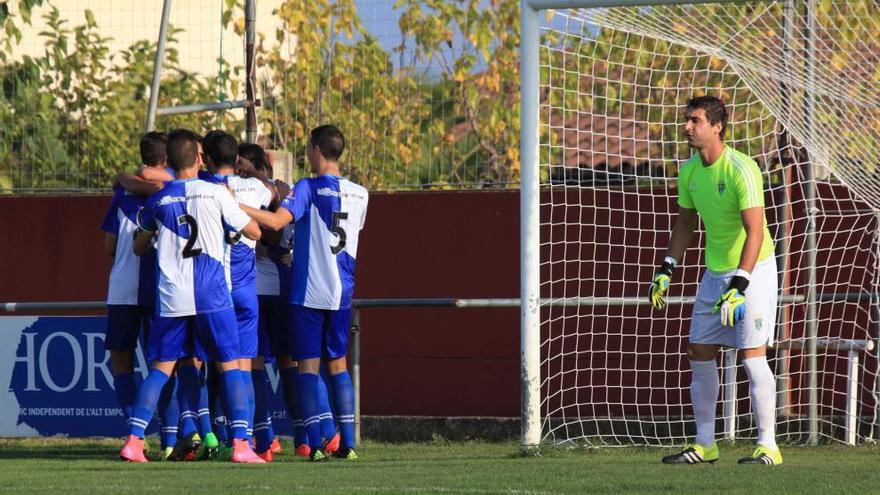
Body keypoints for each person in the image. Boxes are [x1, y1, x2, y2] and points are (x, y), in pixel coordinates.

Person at [119, 128, 264, 464]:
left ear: (169, 160)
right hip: (212, 295)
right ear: (199, 158)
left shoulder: (159, 198)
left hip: (173, 296)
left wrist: (155, 234)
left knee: (161, 368)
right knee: (229, 365)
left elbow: (139, 246)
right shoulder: (215, 193)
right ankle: (241, 445)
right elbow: (254, 231)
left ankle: (134, 442)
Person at [650, 95, 781, 465]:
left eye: (695, 120)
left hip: (754, 269)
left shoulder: (742, 169)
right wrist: (666, 269)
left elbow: (754, 231)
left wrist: (740, 285)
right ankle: (705, 444)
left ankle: (768, 446)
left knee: (752, 357)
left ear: (717, 126)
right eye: (687, 120)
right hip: (714, 273)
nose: (687, 127)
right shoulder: (690, 171)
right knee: (699, 351)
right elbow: (685, 223)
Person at [241, 125, 368, 462]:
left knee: (308, 369)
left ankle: (313, 445)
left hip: (308, 292)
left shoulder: (307, 187)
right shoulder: (360, 193)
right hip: (342, 293)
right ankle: (349, 444)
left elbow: (275, 221)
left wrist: (236, 205)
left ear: (315, 149)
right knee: (339, 365)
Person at [100, 131, 179, 459]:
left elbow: (108, 248)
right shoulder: (173, 192)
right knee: (165, 364)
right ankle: (171, 440)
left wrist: (124, 179)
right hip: (159, 290)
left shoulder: (122, 194)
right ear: (166, 159)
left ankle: (136, 436)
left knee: (121, 363)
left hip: (121, 290)